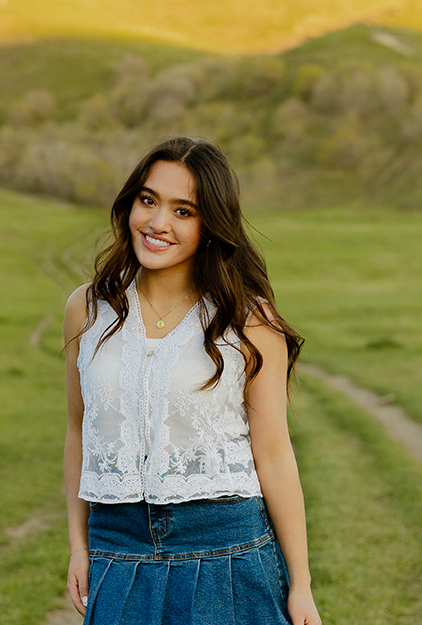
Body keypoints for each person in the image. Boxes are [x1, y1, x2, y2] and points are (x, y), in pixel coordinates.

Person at [63, 136, 322, 625]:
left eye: (184, 211)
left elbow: (274, 454)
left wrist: (301, 583)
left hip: (228, 550)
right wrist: (80, 546)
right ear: (130, 204)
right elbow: (79, 432)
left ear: (211, 225)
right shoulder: (86, 308)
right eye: (149, 200)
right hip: (118, 551)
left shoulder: (250, 321)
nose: (158, 223)